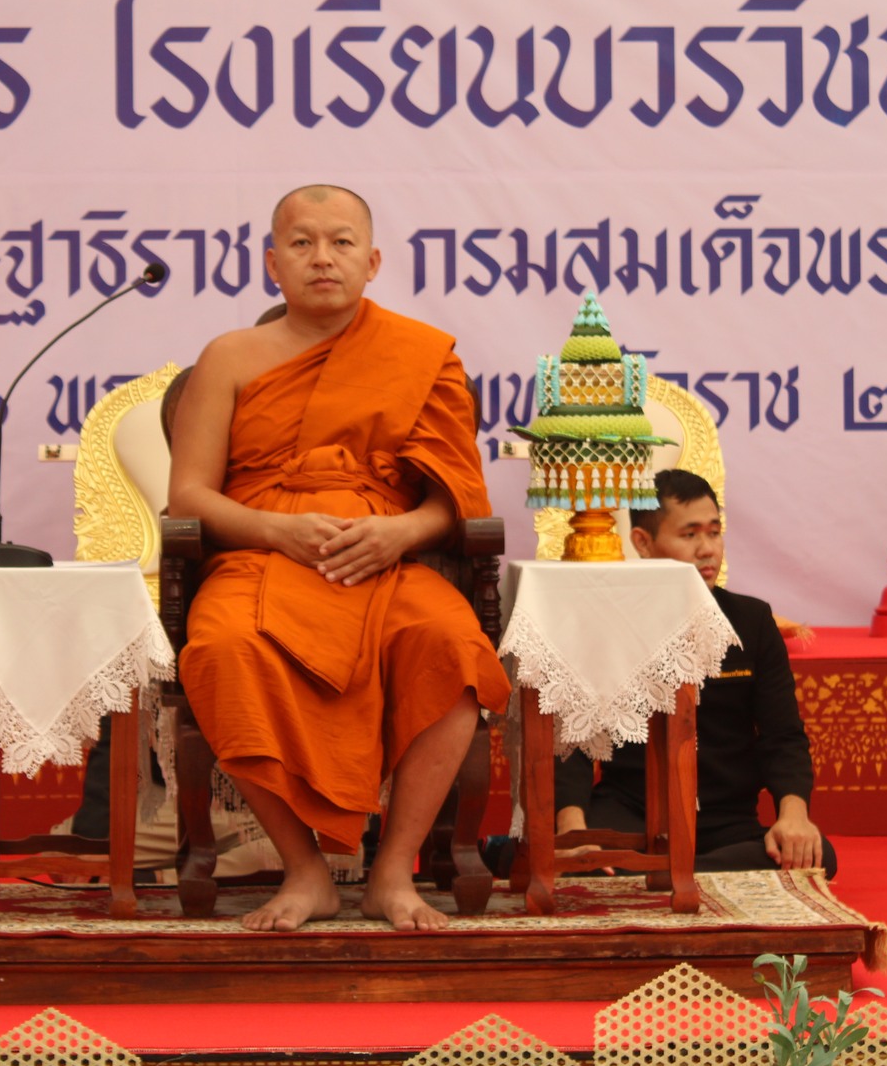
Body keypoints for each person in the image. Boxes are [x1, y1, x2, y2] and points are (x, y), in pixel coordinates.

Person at [170, 184, 511, 932]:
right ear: (272, 263)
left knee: (451, 646)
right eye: (301, 242)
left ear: (373, 260)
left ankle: (393, 872)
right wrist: (276, 531)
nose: (322, 257)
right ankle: (306, 871)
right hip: (261, 558)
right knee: (222, 648)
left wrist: (401, 533)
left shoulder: (421, 354)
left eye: (341, 242)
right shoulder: (229, 357)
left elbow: (455, 499)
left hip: (383, 560)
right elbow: (189, 495)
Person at [554, 469, 837, 878]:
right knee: (570, 858)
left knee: (818, 856)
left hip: (726, 821)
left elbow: (783, 735)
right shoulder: (607, 622)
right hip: (629, 812)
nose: (707, 549)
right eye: (689, 535)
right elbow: (573, 742)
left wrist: (794, 816)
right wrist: (572, 829)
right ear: (643, 542)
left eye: (714, 533)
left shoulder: (752, 621)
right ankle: (693, 875)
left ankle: (658, 874)